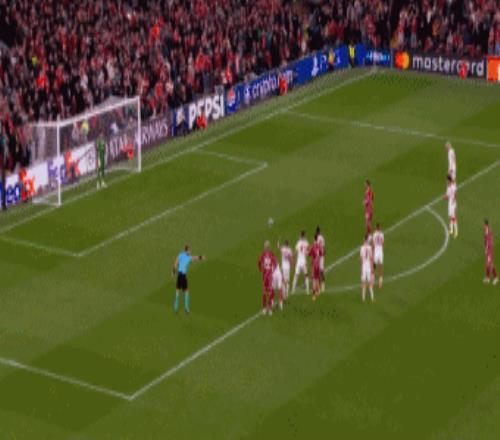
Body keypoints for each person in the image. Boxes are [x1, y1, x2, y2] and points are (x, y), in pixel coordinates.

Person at [173, 245, 205, 314]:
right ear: (186, 250)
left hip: (179, 275)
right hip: (183, 276)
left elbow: (175, 263)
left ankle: (176, 307)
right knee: (186, 291)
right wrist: (201, 257)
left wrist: (174, 272)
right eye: (189, 250)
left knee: (177, 290)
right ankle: (186, 308)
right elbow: (195, 258)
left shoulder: (180, 255)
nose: (190, 252)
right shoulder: (188, 257)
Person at [258, 241, 278, 315]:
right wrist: (272, 270)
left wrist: (261, 269)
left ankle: (265, 308)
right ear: (269, 247)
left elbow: (259, 262)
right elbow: (275, 264)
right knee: (268, 292)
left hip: (265, 275)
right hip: (269, 275)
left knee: (265, 292)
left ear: (265, 247)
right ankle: (269, 309)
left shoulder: (263, 254)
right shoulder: (271, 254)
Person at [360, 234, 374, 302]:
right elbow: (371, 258)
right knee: (370, 283)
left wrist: (361, 268)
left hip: (364, 266)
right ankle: (372, 298)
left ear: (364, 239)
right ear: (367, 240)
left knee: (363, 282)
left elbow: (361, 259)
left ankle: (363, 298)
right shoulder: (370, 248)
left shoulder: (362, 248)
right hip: (368, 266)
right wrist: (372, 268)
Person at [484, 220, 498, 285]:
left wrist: (486, 249)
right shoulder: (488, 230)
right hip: (489, 250)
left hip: (489, 250)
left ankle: (495, 277)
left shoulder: (487, 231)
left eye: (484, 224)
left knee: (490, 264)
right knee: (487, 264)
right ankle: (487, 278)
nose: (483, 226)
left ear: (486, 225)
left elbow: (488, 242)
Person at [373, 223, 385, 288]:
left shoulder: (374, 234)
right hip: (380, 252)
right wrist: (382, 251)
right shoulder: (382, 234)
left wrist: (373, 252)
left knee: (374, 266)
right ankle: (380, 281)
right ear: (379, 228)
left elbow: (373, 244)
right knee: (380, 266)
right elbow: (383, 244)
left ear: (376, 228)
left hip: (376, 251)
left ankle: (373, 280)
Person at [315, 226, 326, 292]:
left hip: (318, 256)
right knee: (321, 270)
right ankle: (323, 286)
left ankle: (319, 286)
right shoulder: (322, 237)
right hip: (321, 256)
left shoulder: (317, 238)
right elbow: (324, 247)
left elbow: (316, 246)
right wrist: (324, 254)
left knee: (319, 271)